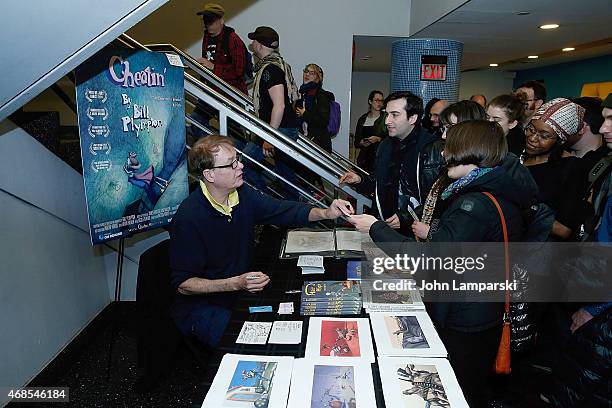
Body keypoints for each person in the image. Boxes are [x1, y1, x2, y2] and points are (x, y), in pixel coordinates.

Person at [349, 120, 539, 407]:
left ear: (470, 152)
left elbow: (429, 260)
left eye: (450, 148)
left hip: (467, 316)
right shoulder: (494, 190)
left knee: (456, 390)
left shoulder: (473, 205)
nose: (443, 155)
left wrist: (375, 228)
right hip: (481, 307)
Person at [169, 136, 353, 347]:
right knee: (250, 345)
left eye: (237, 159)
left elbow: (284, 210)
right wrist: (235, 283)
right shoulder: (189, 218)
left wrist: (326, 213)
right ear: (209, 175)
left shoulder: (241, 195)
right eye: (232, 163)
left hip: (239, 291)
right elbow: (184, 285)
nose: (241, 166)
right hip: (205, 305)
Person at [339, 91, 444, 234]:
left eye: (394, 115)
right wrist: (360, 180)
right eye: (386, 114)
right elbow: (378, 184)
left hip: (415, 234)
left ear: (413, 118)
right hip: (384, 226)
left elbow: (438, 198)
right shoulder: (385, 146)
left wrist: (406, 217)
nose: (387, 120)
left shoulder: (432, 148)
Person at [412, 100, 487, 240]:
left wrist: (431, 233)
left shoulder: (478, 184)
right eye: (444, 129)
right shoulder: (454, 170)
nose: (444, 136)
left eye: (450, 128)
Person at [521, 98, 587, 241]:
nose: (532, 138)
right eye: (531, 129)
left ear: (561, 140)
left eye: (544, 136)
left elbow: (565, 230)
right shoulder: (519, 158)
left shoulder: (571, 168)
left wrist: (524, 209)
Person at [249, 25, 301, 200]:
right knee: (287, 177)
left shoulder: (270, 70)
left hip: (277, 130)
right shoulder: (279, 65)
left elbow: (279, 105)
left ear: (260, 45)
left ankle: (270, 202)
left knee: (245, 165)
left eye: (254, 41)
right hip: (282, 128)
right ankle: (293, 211)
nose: (252, 44)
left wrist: (269, 138)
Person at [196, 3, 248, 94]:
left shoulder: (232, 39)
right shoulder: (207, 37)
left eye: (211, 20)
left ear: (221, 20)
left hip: (230, 94)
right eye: (205, 20)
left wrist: (213, 67)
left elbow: (238, 72)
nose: (207, 24)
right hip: (211, 91)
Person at [295, 63, 333, 153]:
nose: (307, 74)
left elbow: (323, 121)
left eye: (312, 73)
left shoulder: (321, 95)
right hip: (304, 141)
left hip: (319, 144)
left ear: (318, 78)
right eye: (306, 71)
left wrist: (305, 114)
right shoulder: (301, 94)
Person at [354, 90, 386, 172]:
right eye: (376, 100)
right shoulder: (362, 119)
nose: (379, 103)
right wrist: (363, 142)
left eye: (381, 100)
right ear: (370, 101)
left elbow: (392, 139)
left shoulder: (386, 118)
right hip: (364, 158)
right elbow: (356, 142)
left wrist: (378, 139)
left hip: (380, 157)